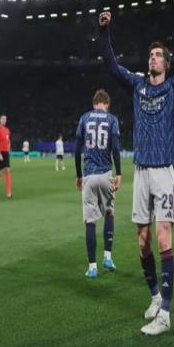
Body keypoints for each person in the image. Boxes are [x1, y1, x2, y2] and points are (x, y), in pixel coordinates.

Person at [99, 3, 174, 335]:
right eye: (151, 55)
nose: (153, 58)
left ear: (166, 64)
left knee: (163, 235)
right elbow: (111, 65)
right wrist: (104, 30)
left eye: (158, 55)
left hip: (163, 171)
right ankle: (156, 296)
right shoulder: (138, 85)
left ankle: (166, 315)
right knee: (142, 242)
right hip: (141, 171)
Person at [75, 89, 121, 279]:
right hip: (105, 173)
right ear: (106, 104)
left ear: (94, 103)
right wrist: (119, 173)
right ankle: (107, 257)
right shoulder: (112, 119)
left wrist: (78, 175)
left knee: (90, 221)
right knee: (109, 213)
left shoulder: (84, 118)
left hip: (89, 175)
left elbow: (77, 150)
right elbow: (115, 148)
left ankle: (92, 267)